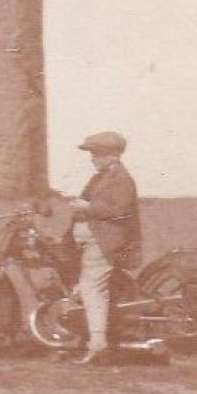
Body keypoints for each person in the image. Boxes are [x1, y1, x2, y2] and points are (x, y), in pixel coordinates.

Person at [65, 130, 144, 365]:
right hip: (93, 239)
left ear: (112, 155)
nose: (93, 158)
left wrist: (86, 207)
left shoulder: (121, 178)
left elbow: (118, 209)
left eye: (97, 154)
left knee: (91, 288)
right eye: (93, 154)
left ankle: (98, 344)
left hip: (106, 241)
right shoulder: (103, 176)